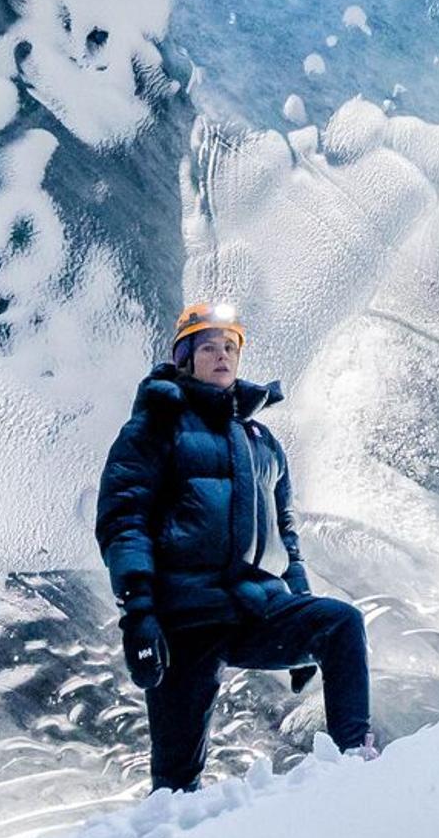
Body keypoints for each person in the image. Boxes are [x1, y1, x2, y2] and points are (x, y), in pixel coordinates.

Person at [100, 301, 374, 789]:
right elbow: (124, 520)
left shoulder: (261, 441)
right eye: (208, 347)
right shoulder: (154, 426)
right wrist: (138, 614)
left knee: (339, 625)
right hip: (186, 620)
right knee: (176, 780)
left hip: (256, 609)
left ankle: (357, 766)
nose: (222, 356)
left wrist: (300, 607)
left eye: (230, 347)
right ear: (185, 358)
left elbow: (284, 536)